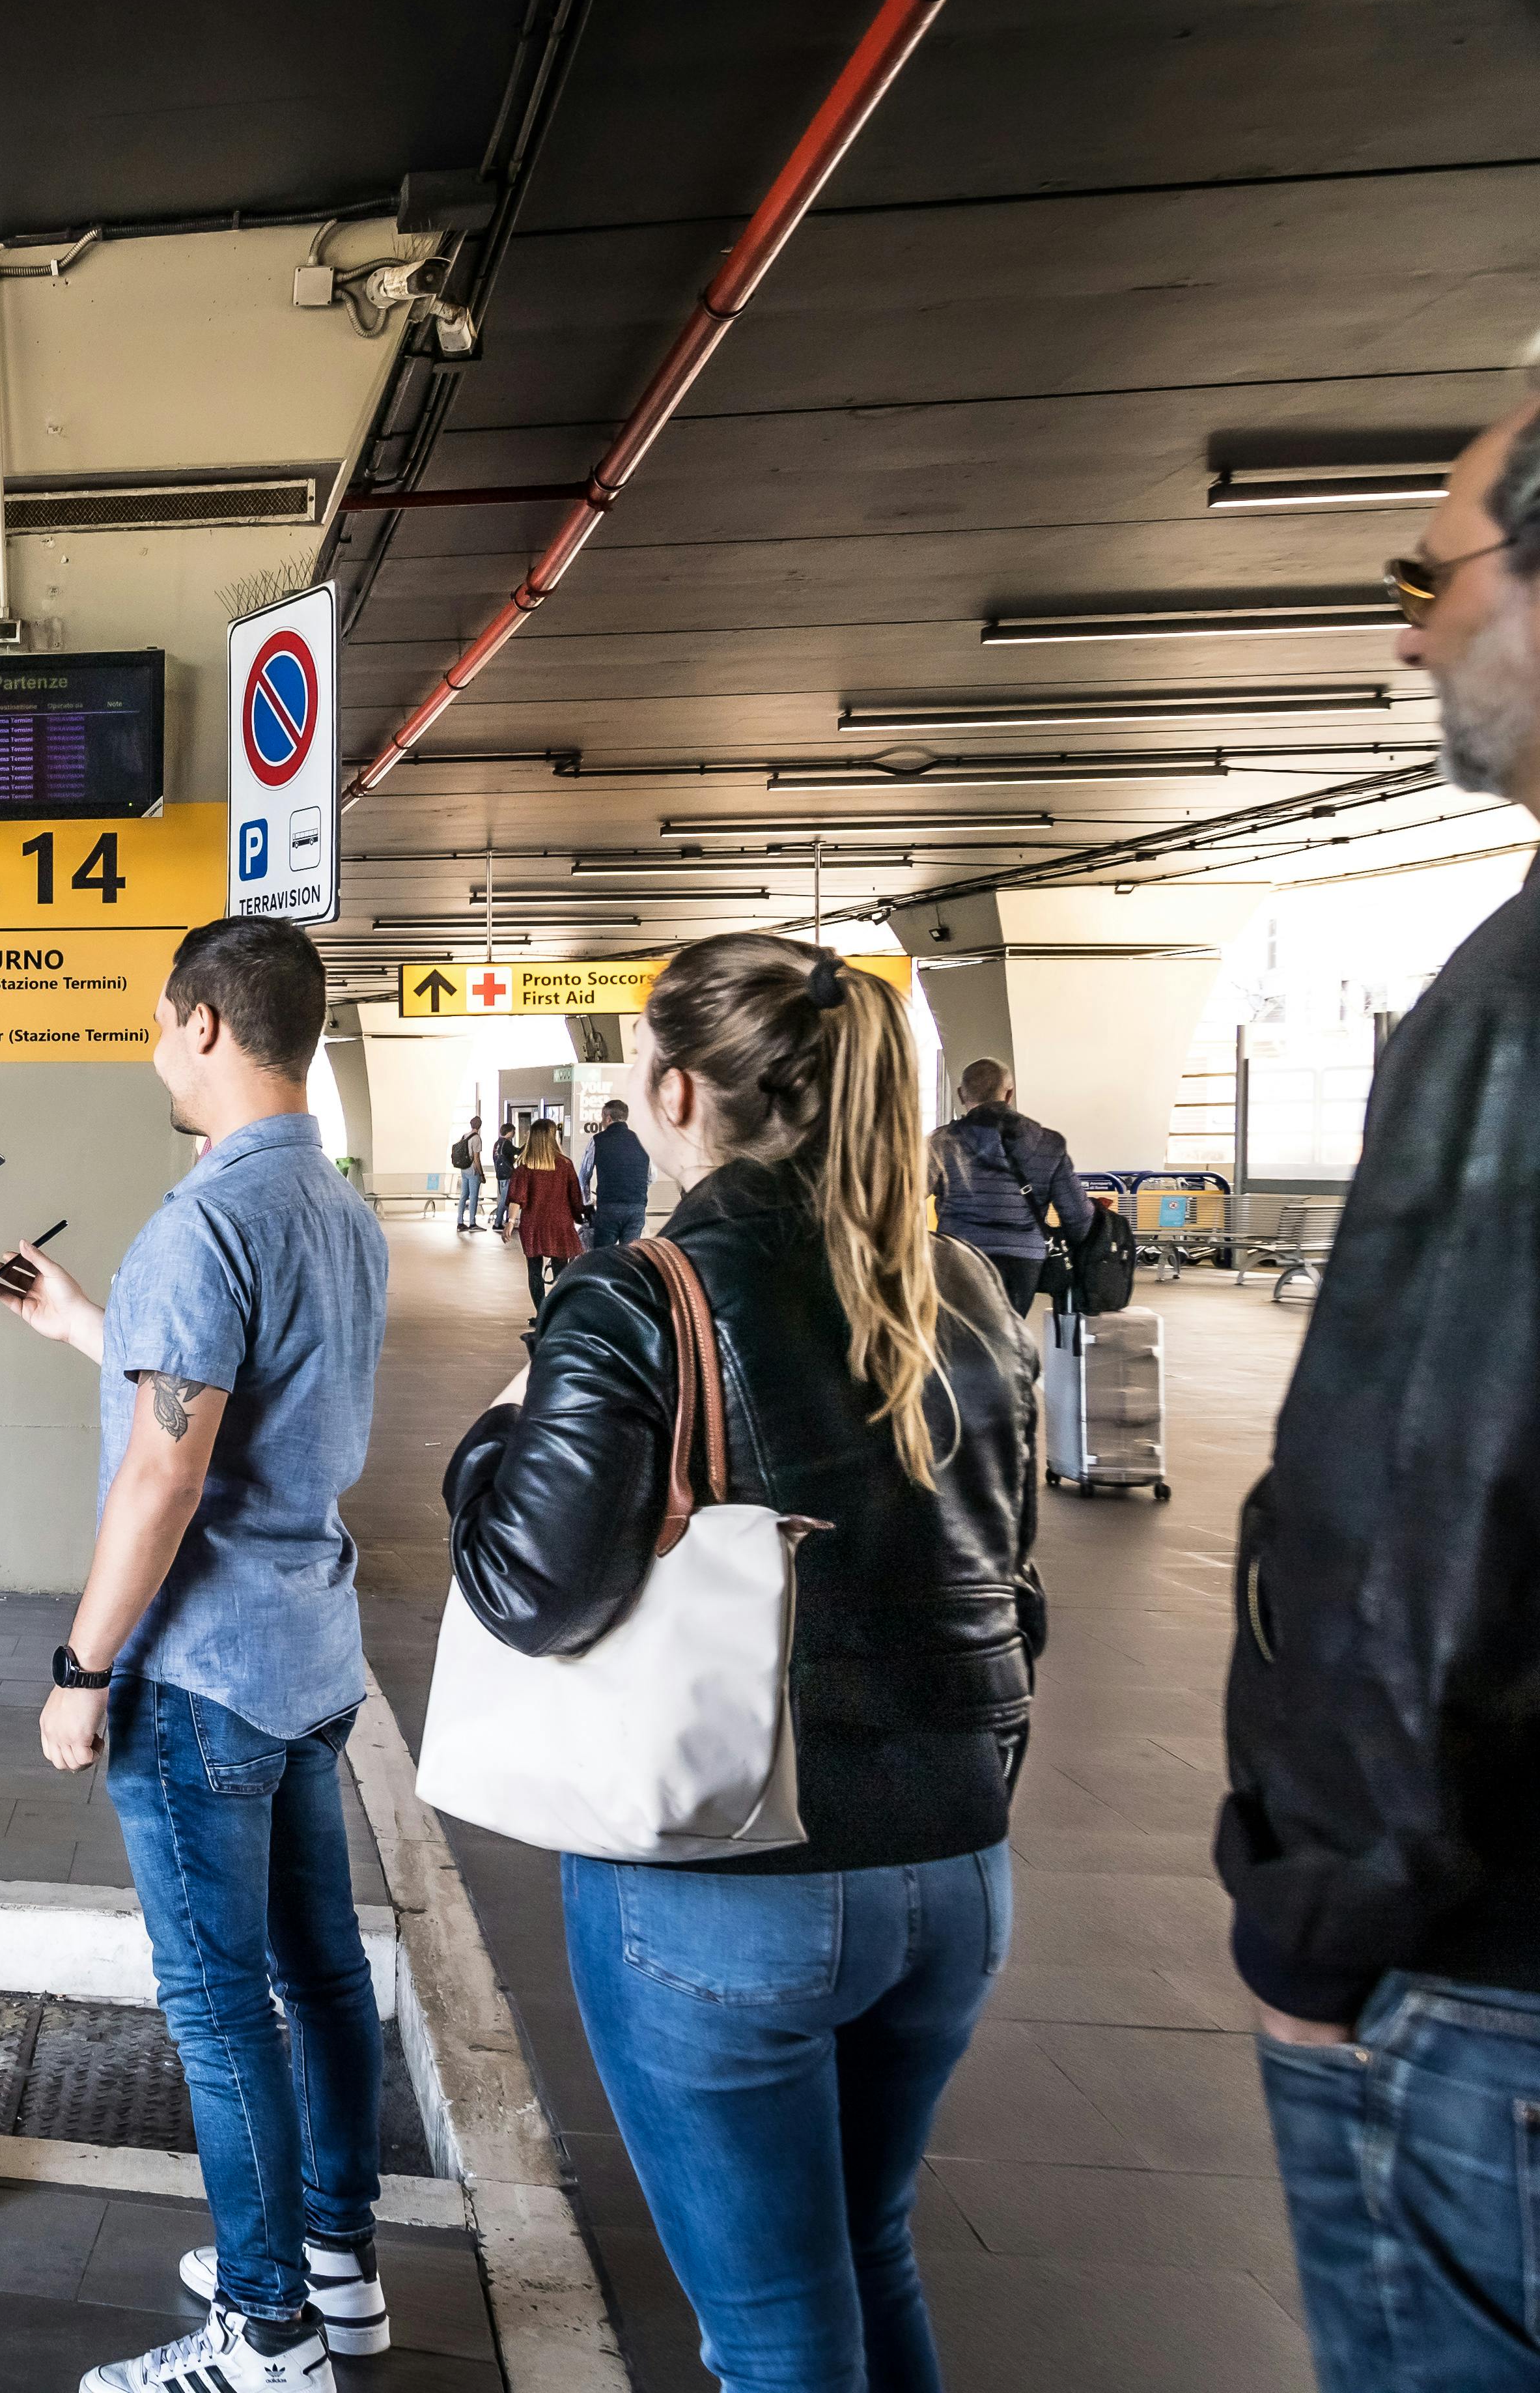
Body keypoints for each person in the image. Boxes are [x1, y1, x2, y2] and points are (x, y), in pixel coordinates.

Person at [442, 935, 1042, 2393]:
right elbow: (1015, 1577)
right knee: (871, 2247)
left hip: (731, 1888)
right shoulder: (954, 1280)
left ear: (672, 1087)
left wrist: (481, 1453)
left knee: (775, 2331)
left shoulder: (642, 1291)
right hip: (956, 1864)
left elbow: (529, 1585)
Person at [1223, 390, 1540, 2390]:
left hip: (1494, 1996)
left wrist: (1309, 1924)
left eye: (1438, 575)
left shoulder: (1510, 1008)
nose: (1409, 635)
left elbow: (1410, 1498)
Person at [0, 914, 395, 2393]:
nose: (151, 1047)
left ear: (208, 1025)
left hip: (206, 1671)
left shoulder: (200, 1223)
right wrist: (92, 1326)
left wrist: (81, 1668)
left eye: (160, 1023)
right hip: (308, 1657)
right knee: (321, 1971)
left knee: (220, 2002)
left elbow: (163, 1477)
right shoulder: (336, 1210)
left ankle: (266, 2330)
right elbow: (233, 1405)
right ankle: (335, 2268)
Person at [930, 1058, 1094, 1316]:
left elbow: (906, 1198)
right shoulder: (1049, 1143)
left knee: (959, 1339)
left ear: (961, 1094)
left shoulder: (942, 1142)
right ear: (1009, 1094)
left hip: (957, 1254)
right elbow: (1079, 1217)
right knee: (1009, 1336)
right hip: (1023, 1261)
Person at [499, 1116, 587, 1313]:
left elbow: (516, 1198)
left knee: (534, 1270)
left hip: (534, 1225)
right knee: (562, 1270)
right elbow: (575, 1197)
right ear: (553, 1137)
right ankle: (559, 1314)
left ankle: (542, 1314)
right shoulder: (565, 1165)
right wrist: (579, 1218)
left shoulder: (525, 1167)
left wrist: (510, 1223)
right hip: (560, 1224)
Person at [580, 1096, 651, 1249]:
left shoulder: (597, 1140)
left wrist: (587, 1202)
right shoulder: (644, 1141)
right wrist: (636, 1191)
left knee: (604, 1255)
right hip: (636, 1207)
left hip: (609, 1207)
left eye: (602, 1118)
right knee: (630, 1256)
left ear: (608, 1118)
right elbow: (651, 1176)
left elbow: (584, 1175)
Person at [450, 1116, 486, 1232]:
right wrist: (481, 1174)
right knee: (473, 1197)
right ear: (480, 1126)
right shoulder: (476, 1138)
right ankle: (472, 1223)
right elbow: (476, 1159)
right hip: (472, 1171)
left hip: (463, 1169)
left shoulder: (465, 1136)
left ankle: (460, 1223)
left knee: (464, 1196)